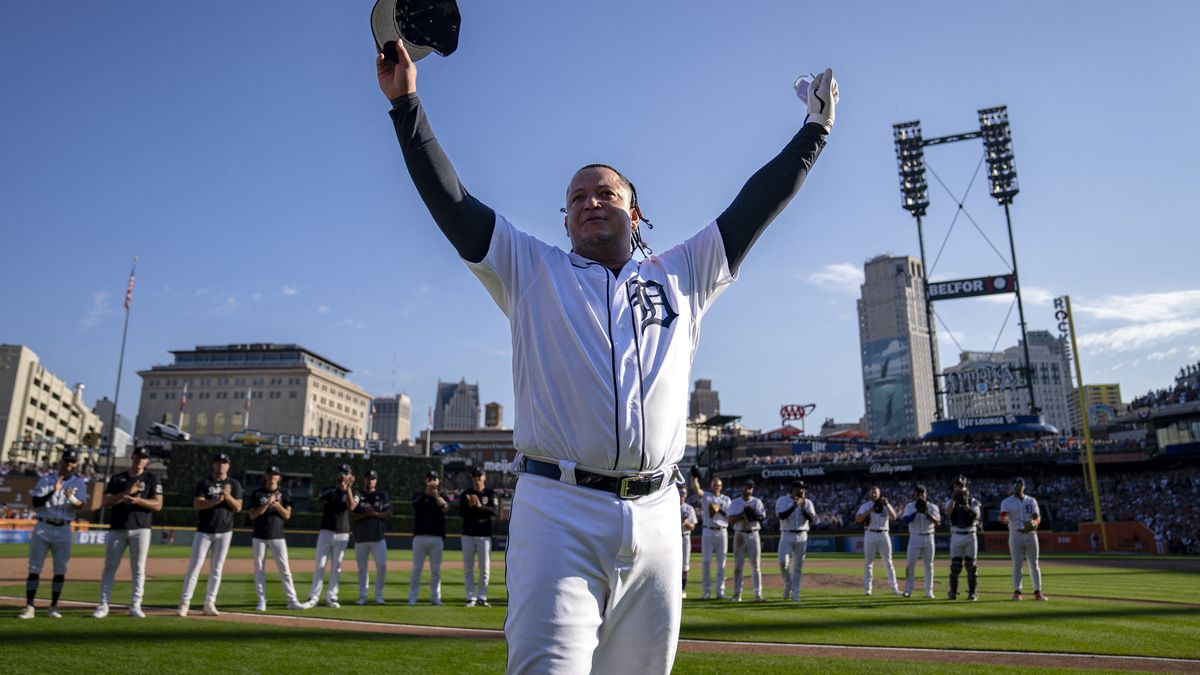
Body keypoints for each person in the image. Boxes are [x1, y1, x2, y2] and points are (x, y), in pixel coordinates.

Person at [377, 37, 836, 672]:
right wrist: (407, 107)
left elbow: (755, 205)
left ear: (634, 212)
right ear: (565, 222)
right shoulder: (529, 268)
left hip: (658, 517)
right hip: (558, 511)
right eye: (577, 198)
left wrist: (814, 132)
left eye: (606, 193)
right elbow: (451, 201)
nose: (592, 201)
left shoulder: (684, 274)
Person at [20, 449, 88, 620]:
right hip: (43, 526)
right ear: (61, 461)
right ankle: (29, 606)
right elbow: (35, 503)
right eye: (67, 460)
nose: (69, 464)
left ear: (76, 464)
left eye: (72, 461)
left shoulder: (79, 483)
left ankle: (53, 607)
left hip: (64, 528)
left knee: (60, 569)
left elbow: (81, 506)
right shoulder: (46, 479)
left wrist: (72, 499)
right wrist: (53, 490)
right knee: (34, 567)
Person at [96, 447, 162, 619]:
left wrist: (137, 500)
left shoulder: (152, 478)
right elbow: (104, 501)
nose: (140, 460)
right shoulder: (118, 478)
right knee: (110, 567)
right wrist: (126, 493)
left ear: (147, 461)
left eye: (144, 457)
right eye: (138, 456)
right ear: (132, 457)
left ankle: (135, 605)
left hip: (141, 528)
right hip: (118, 528)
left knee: (139, 568)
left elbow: (158, 505)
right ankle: (103, 605)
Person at [178, 452, 242, 617]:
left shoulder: (234, 484)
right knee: (194, 567)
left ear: (229, 465)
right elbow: (197, 503)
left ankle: (209, 603)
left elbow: (238, 507)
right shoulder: (205, 483)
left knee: (217, 569)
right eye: (219, 462)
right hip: (204, 531)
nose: (221, 465)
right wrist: (215, 501)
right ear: (213, 465)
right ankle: (185, 603)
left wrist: (227, 496)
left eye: (224, 463)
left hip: (225, 531)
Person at [247, 465, 310, 611]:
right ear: (265, 476)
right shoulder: (257, 493)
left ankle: (292, 600)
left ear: (279, 478)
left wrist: (276, 505)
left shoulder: (285, 493)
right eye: (270, 474)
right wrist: (266, 503)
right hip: (259, 536)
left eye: (275, 474)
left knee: (285, 569)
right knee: (259, 570)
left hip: (277, 536)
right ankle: (261, 601)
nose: (272, 477)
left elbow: (287, 515)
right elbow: (252, 515)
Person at [308, 464, 358, 608]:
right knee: (320, 565)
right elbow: (321, 498)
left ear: (351, 475)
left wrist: (348, 488)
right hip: (326, 531)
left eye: (347, 473)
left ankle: (332, 597)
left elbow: (352, 507)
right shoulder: (330, 489)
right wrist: (340, 488)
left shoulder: (355, 492)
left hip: (343, 533)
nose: (344, 475)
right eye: (342, 473)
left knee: (337, 567)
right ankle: (314, 596)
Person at [1000, 477, 1047, 601]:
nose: (1017, 487)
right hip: (1016, 534)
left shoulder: (1031, 500)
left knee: (1034, 563)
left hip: (1031, 533)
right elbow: (1003, 517)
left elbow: (1037, 516)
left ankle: (1038, 591)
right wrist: (1004, 519)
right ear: (1012, 487)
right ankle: (1017, 591)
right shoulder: (1006, 502)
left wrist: (1035, 523)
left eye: (1019, 485)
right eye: (1015, 485)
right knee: (1017, 564)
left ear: (1023, 486)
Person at [459, 466, 498, 607]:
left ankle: (482, 596)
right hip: (468, 534)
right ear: (472, 478)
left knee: (484, 568)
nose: (477, 479)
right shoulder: (466, 493)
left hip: (484, 535)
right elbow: (461, 513)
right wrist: (470, 505)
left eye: (480, 476)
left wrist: (479, 506)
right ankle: (470, 597)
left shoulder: (490, 493)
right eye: (475, 476)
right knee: (468, 568)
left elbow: (494, 512)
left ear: (484, 477)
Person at [352, 469, 392, 605]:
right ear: (364, 479)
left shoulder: (382, 495)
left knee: (382, 566)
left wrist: (374, 514)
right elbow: (352, 515)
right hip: (361, 537)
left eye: (373, 478)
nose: (371, 480)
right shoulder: (358, 494)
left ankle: (378, 595)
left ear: (376, 480)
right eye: (369, 478)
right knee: (362, 569)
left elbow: (388, 513)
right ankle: (362, 596)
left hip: (378, 537)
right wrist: (366, 514)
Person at [409, 470, 448, 605]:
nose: (432, 481)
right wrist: (427, 492)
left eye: (435, 479)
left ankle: (435, 597)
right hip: (420, 537)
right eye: (430, 479)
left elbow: (445, 508)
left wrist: (435, 494)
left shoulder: (442, 494)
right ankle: (412, 597)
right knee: (417, 569)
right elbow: (415, 505)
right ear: (426, 480)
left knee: (436, 570)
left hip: (437, 537)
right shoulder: (419, 495)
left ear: (438, 481)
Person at [691, 473, 732, 600]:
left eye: (718, 485)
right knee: (706, 561)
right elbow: (698, 491)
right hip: (708, 530)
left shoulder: (726, 499)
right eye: (714, 485)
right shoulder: (707, 497)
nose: (716, 487)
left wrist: (719, 510)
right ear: (711, 486)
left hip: (722, 531)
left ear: (721, 486)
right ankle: (706, 592)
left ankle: (720, 591)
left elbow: (730, 517)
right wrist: (695, 478)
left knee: (721, 563)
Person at [775, 481, 817, 602]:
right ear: (794, 489)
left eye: (804, 488)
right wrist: (794, 506)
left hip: (802, 534)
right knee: (783, 562)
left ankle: (796, 594)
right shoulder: (782, 500)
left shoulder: (808, 502)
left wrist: (803, 509)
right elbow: (781, 516)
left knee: (798, 567)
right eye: (800, 488)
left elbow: (813, 519)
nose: (802, 490)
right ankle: (788, 583)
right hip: (786, 534)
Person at [855, 485, 900, 596]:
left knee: (888, 562)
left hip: (884, 533)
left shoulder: (885, 505)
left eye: (875, 492)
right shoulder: (866, 505)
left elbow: (894, 517)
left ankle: (894, 588)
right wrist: (869, 511)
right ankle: (868, 589)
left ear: (879, 493)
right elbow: (858, 518)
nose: (874, 494)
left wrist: (887, 504)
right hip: (870, 533)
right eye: (872, 492)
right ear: (869, 493)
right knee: (868, 563)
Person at [727, 479, 767, 602]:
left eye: (750, 487)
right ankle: (737, 593)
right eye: (746, 487)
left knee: (756, 566)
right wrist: (741, 514)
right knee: (738, 566)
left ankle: (758, 594)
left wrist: (751, 513)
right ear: (742, 488)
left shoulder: (757, 502)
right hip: (740, 534)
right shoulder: (735, 502)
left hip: (753, 533)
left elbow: (761, 517)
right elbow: (730, 520)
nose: (748, 490)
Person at [944, 475, 981, 601]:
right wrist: (954, 501)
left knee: (971, 566)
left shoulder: (973, 501)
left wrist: (966, 505)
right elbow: (947, 513)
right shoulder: (950, 500)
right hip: (956, 534)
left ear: (966, 487)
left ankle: (972, 593)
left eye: (961, 486)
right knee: (955, 566)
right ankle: (953, 593)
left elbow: (976, 516)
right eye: (957, 486)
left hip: (970, 533)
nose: (959, 488)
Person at [901, 484, 941, 599]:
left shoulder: (932, 507)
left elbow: (938, 522)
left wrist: (926, 512)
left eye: (922, 492)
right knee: (910, 565)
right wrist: (916, 512)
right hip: (915, 537)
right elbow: (905, 520)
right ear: (915, 494)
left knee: (929, 565)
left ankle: (929, 591)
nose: (920, 495)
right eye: (918, 493)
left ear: (926, 493)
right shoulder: (910, 506)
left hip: (929, 537)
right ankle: (908, 590)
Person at [679, 488, 697, 599]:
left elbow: (692, 526)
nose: (681, 495)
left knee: (685, 565)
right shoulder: (670, 506)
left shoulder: (689, 508)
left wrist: (684, 522)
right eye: (680, 492)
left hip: (685, 536)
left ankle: (682, 590)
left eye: (683, 493)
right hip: (673, 537)